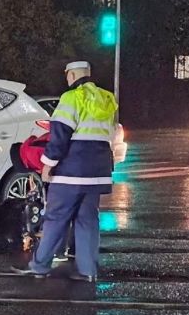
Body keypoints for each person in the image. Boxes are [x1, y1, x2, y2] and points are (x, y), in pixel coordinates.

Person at [12, 61, 118, 282]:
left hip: (70, 172)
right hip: (97, 172)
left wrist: (47, 165)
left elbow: (59, 137)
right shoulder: (107, 99)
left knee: (55, 218)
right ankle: (88, 271)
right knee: (88, 220)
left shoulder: (71, 98)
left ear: (71, 75)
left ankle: (39, 266)